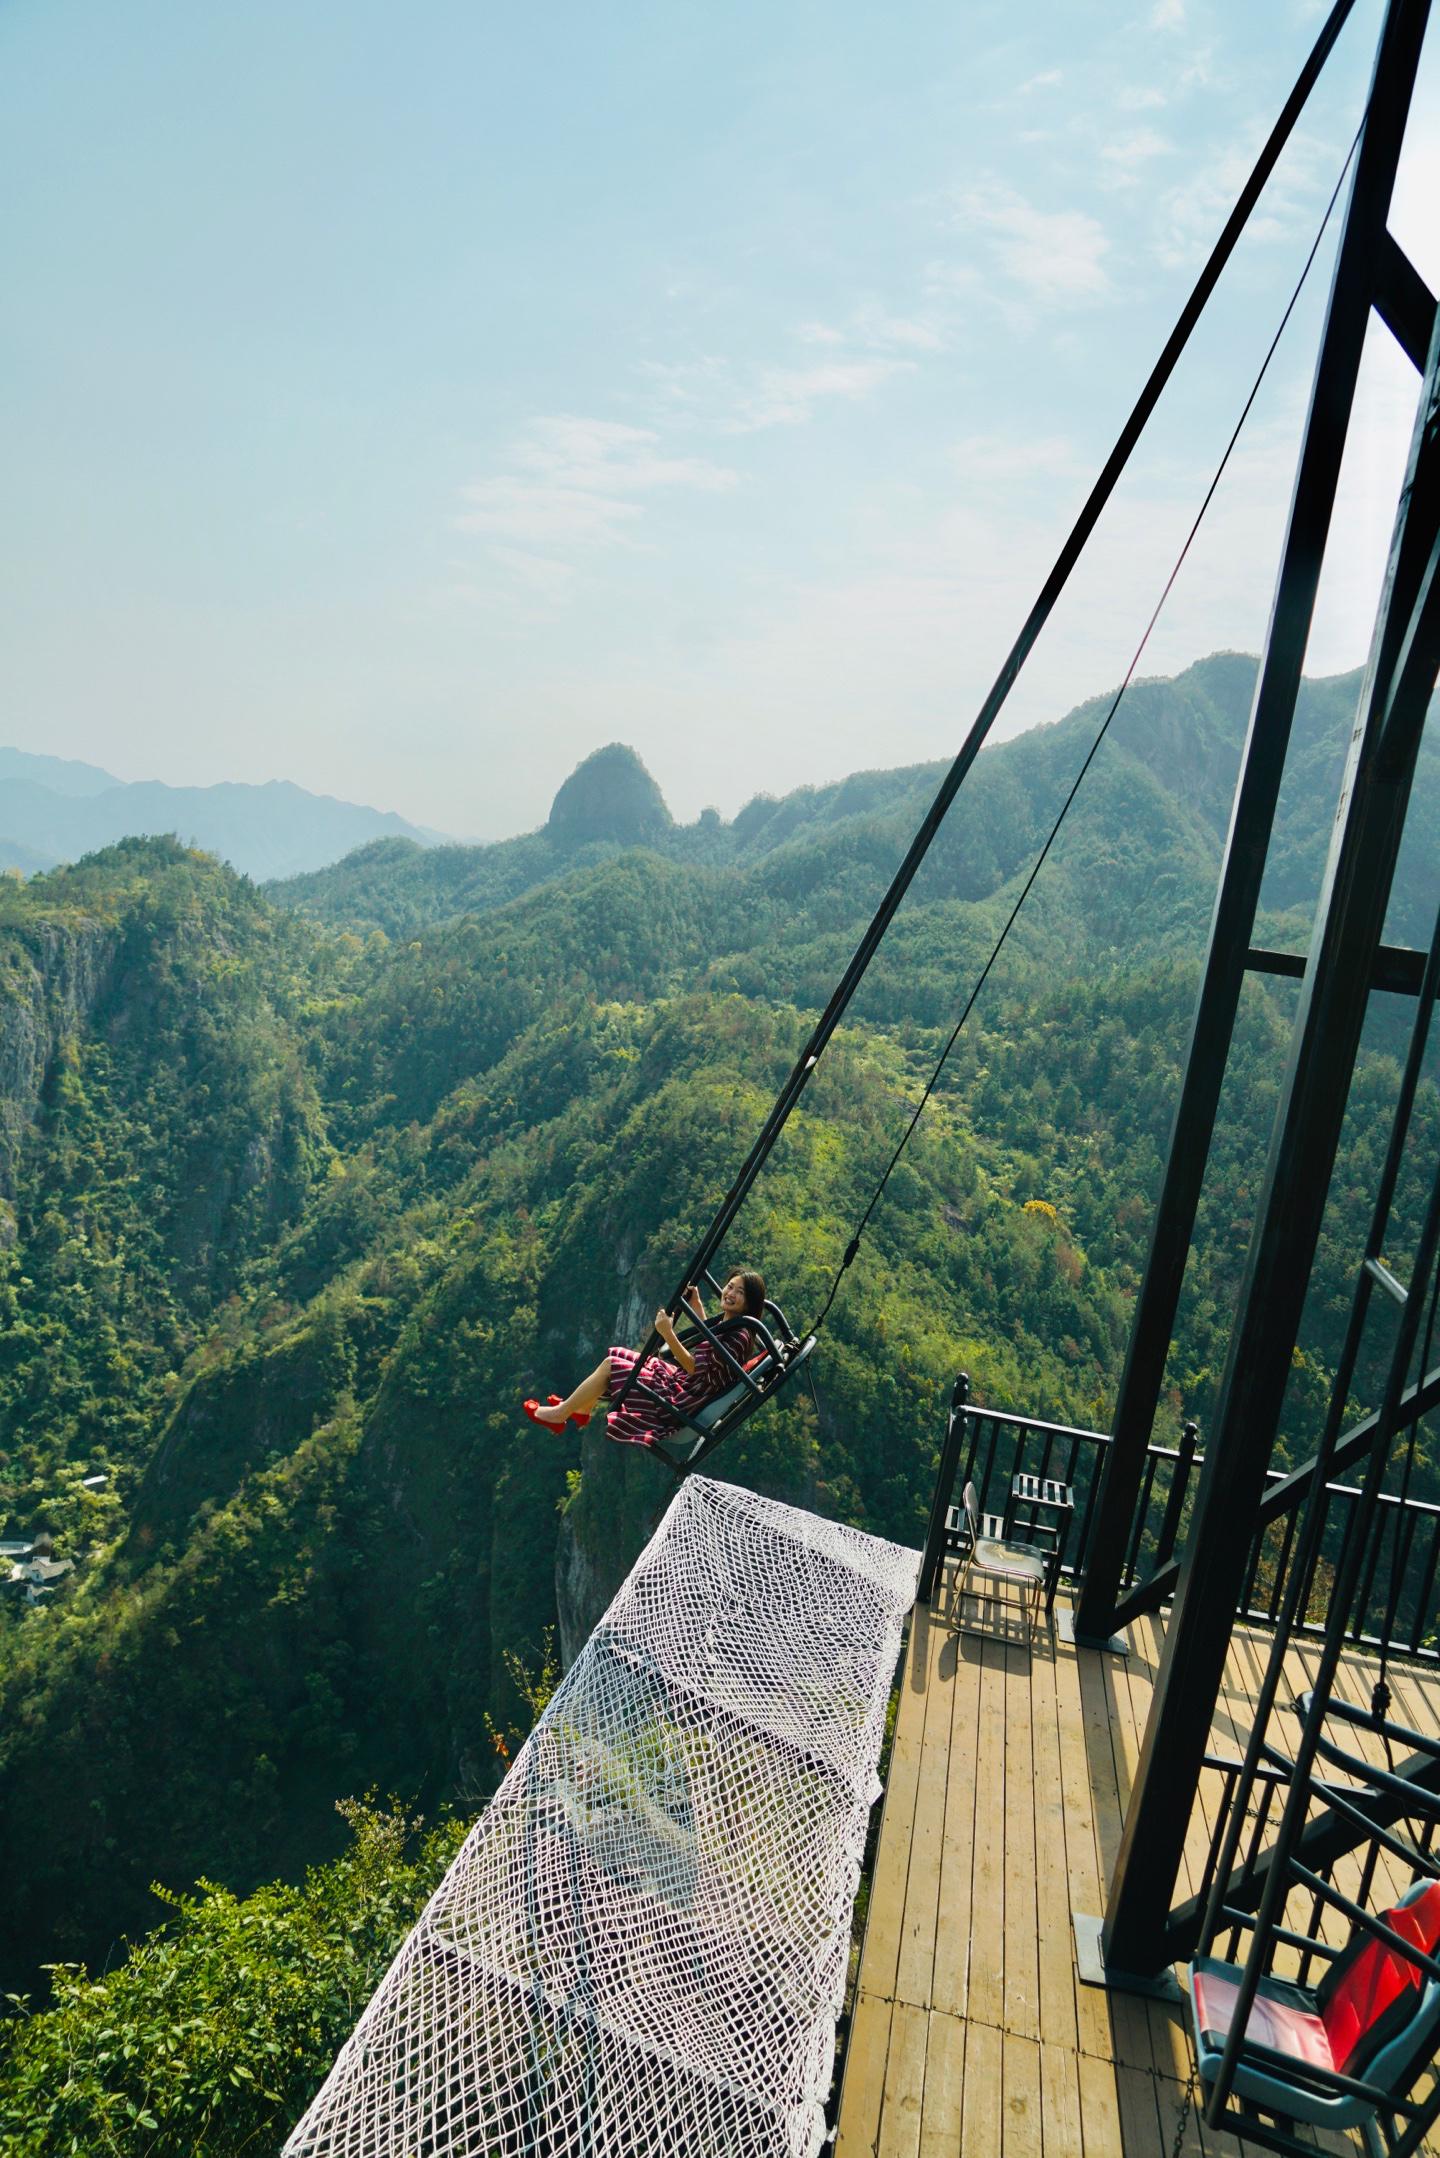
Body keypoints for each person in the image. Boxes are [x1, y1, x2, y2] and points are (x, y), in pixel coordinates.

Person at [523, 1269, 767, 1447]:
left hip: (685, 1398)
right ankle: (582, 1408)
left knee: (614, 1365)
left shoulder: (740, 1335)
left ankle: (560, 1415)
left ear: (750, 1303)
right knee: (618, 1355)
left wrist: (667, 1334)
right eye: (730, 1286)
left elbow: (697, 1369)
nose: (730, 1293)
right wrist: (697, 1305)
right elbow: (711, 1348)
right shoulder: (736, 1326)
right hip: (688, 1386)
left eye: (740, 1292)